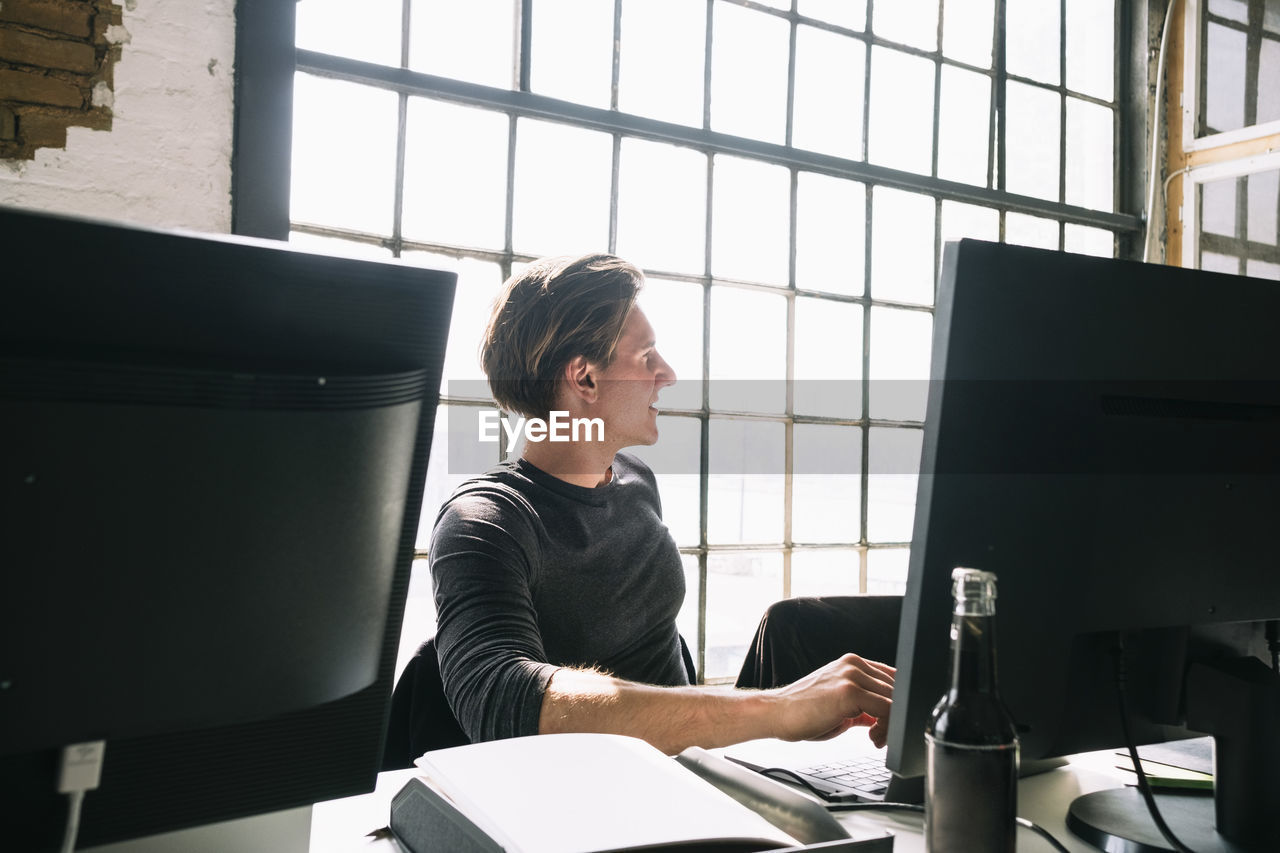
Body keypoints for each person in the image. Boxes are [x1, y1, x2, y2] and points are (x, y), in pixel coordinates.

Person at [429, 252, 895, 756]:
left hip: (698, 770)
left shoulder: (634, 480)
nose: (667, 373)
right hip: (603, 803)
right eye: (647, 356)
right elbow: (500, 698)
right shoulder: (485, 522)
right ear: (584, 378)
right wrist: (777, 708)